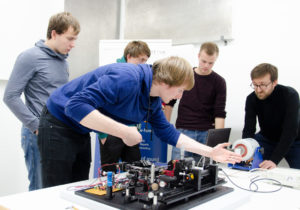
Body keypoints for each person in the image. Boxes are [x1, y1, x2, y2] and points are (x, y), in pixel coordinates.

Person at [37, 56, 241, 188]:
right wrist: (124, 132)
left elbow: (169, 134)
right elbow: (75, 106)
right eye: (179, 90)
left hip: (79, 130)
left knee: (75, 188)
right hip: (57, 122)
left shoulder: (151, 101)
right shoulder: (126, 78)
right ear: (165, 82)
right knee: (56, 189)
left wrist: (210, 151)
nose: (180, 96)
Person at [3, 12, 80, 191]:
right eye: (70, 38)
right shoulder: (29, 57)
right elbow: (10, 96)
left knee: (56, 189)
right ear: (54, 34)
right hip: (37, 134)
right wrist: (37, 126)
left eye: (75, 39)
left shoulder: (63, 62)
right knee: (39, 190)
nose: (73, 44)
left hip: (60, 133)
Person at [98, 40, 151, 172]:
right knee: (108, 175)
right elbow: (99, 103)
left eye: (146, 60)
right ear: (129, 56)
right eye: (141, 59)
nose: (143, 64)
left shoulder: (139, 76)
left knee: (135, 172)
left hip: (131, 130)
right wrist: (103, 135)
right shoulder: (112, 72)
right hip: (111, 132)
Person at [171, 42, 227, 163]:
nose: (206, 65)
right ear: (198, 56)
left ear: (215, 60)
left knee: (205, 175)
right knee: (177, 171)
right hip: (183, 132)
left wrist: (218, 141)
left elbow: (219, 113)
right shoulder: (185, 75)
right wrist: (166, 127)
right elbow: (170, 102)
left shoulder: (219, 82)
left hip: (206, 134)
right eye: (203, 61)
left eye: (211, 63)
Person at [242, 63, 300, 169]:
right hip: (267, 139)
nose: (258, 90)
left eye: (263, 85)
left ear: (274, 82)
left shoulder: (290, 95)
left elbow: (290, 131)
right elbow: (248, 129)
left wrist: (274, 160)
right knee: (248, 165)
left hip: (294, 140)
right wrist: (246, 152)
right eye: (255, 85)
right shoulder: (251, 99)